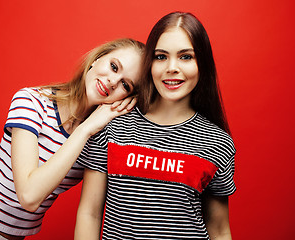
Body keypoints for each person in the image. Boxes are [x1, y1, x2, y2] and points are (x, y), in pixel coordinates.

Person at [0, 38, 145, 240]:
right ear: (96, 59)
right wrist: (85, 129)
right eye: (114, 67)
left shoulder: (100, 138)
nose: (112, 81)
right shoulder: (32, 102)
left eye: (125, 85)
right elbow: (29, 196)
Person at [75, 12, 236, 240]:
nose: (172, 67)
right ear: (149, 63)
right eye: (161, 57)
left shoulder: (217, 142)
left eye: (185, 57)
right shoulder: (113, 126)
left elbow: (219, 231)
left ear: (203, 64)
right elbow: (89, 213)